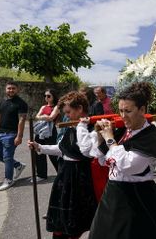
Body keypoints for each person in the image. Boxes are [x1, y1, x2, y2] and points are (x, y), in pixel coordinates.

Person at [87, 82, 156, 239]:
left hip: (138, 199)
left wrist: (109, 138)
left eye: (128, 111)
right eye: (121, 110)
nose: (123, 116)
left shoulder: (150, 137)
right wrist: (100, 136)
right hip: (113, 196)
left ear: (142, 110)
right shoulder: (124, 131)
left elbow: (127, 165)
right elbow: (104, 161)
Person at [28, 91, 97, 239]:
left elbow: (86, 151)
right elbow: (62, 149)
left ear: (79, 108)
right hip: (64, 175)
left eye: (68, 112)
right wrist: (40, 147)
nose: (66, 116)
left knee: (75, 218)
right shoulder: (71, 127)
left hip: (80, 177)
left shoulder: (92, 129)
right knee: (61, 217)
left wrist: (82, 127)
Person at [0, 81, 28, 191]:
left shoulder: (21, 103)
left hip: (11, 134)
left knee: (7, 157)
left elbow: (22, 120)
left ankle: (8, 179)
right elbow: (0, 115)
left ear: (17, 90)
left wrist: (19, 136)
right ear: (5, 89)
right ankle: (18, 165)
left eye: (13, 88)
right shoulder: (2, 102)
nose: (11, 90)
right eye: (9, 88)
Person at [32, 89, 60, 182]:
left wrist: (43, 117)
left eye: (49, 96)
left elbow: (51, 118)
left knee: (53, 153)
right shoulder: (43, 106)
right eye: (45, 96)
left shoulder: (57, 107)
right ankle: (41, 174)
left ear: (53, 97)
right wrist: (45, 117)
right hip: (40, 132)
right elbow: (37, 116)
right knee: (38, 152)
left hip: (51, 132)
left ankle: (61, 173)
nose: (46, 98)